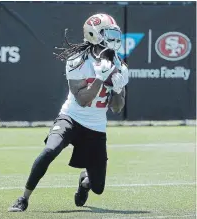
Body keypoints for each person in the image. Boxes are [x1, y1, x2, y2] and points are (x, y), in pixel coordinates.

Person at [8, 13, 129, 212]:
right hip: (71, 117)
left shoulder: (119, 65)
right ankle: (23, 198)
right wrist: (100, 78)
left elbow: (117, 107)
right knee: (49, 150)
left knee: (98, 188)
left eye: (115, 34)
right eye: (108, 33)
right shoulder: (78, 60)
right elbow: (82, 100)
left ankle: (84, 181)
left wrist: (116, 90)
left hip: (96, 127)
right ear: (93, 34)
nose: (114, 39)